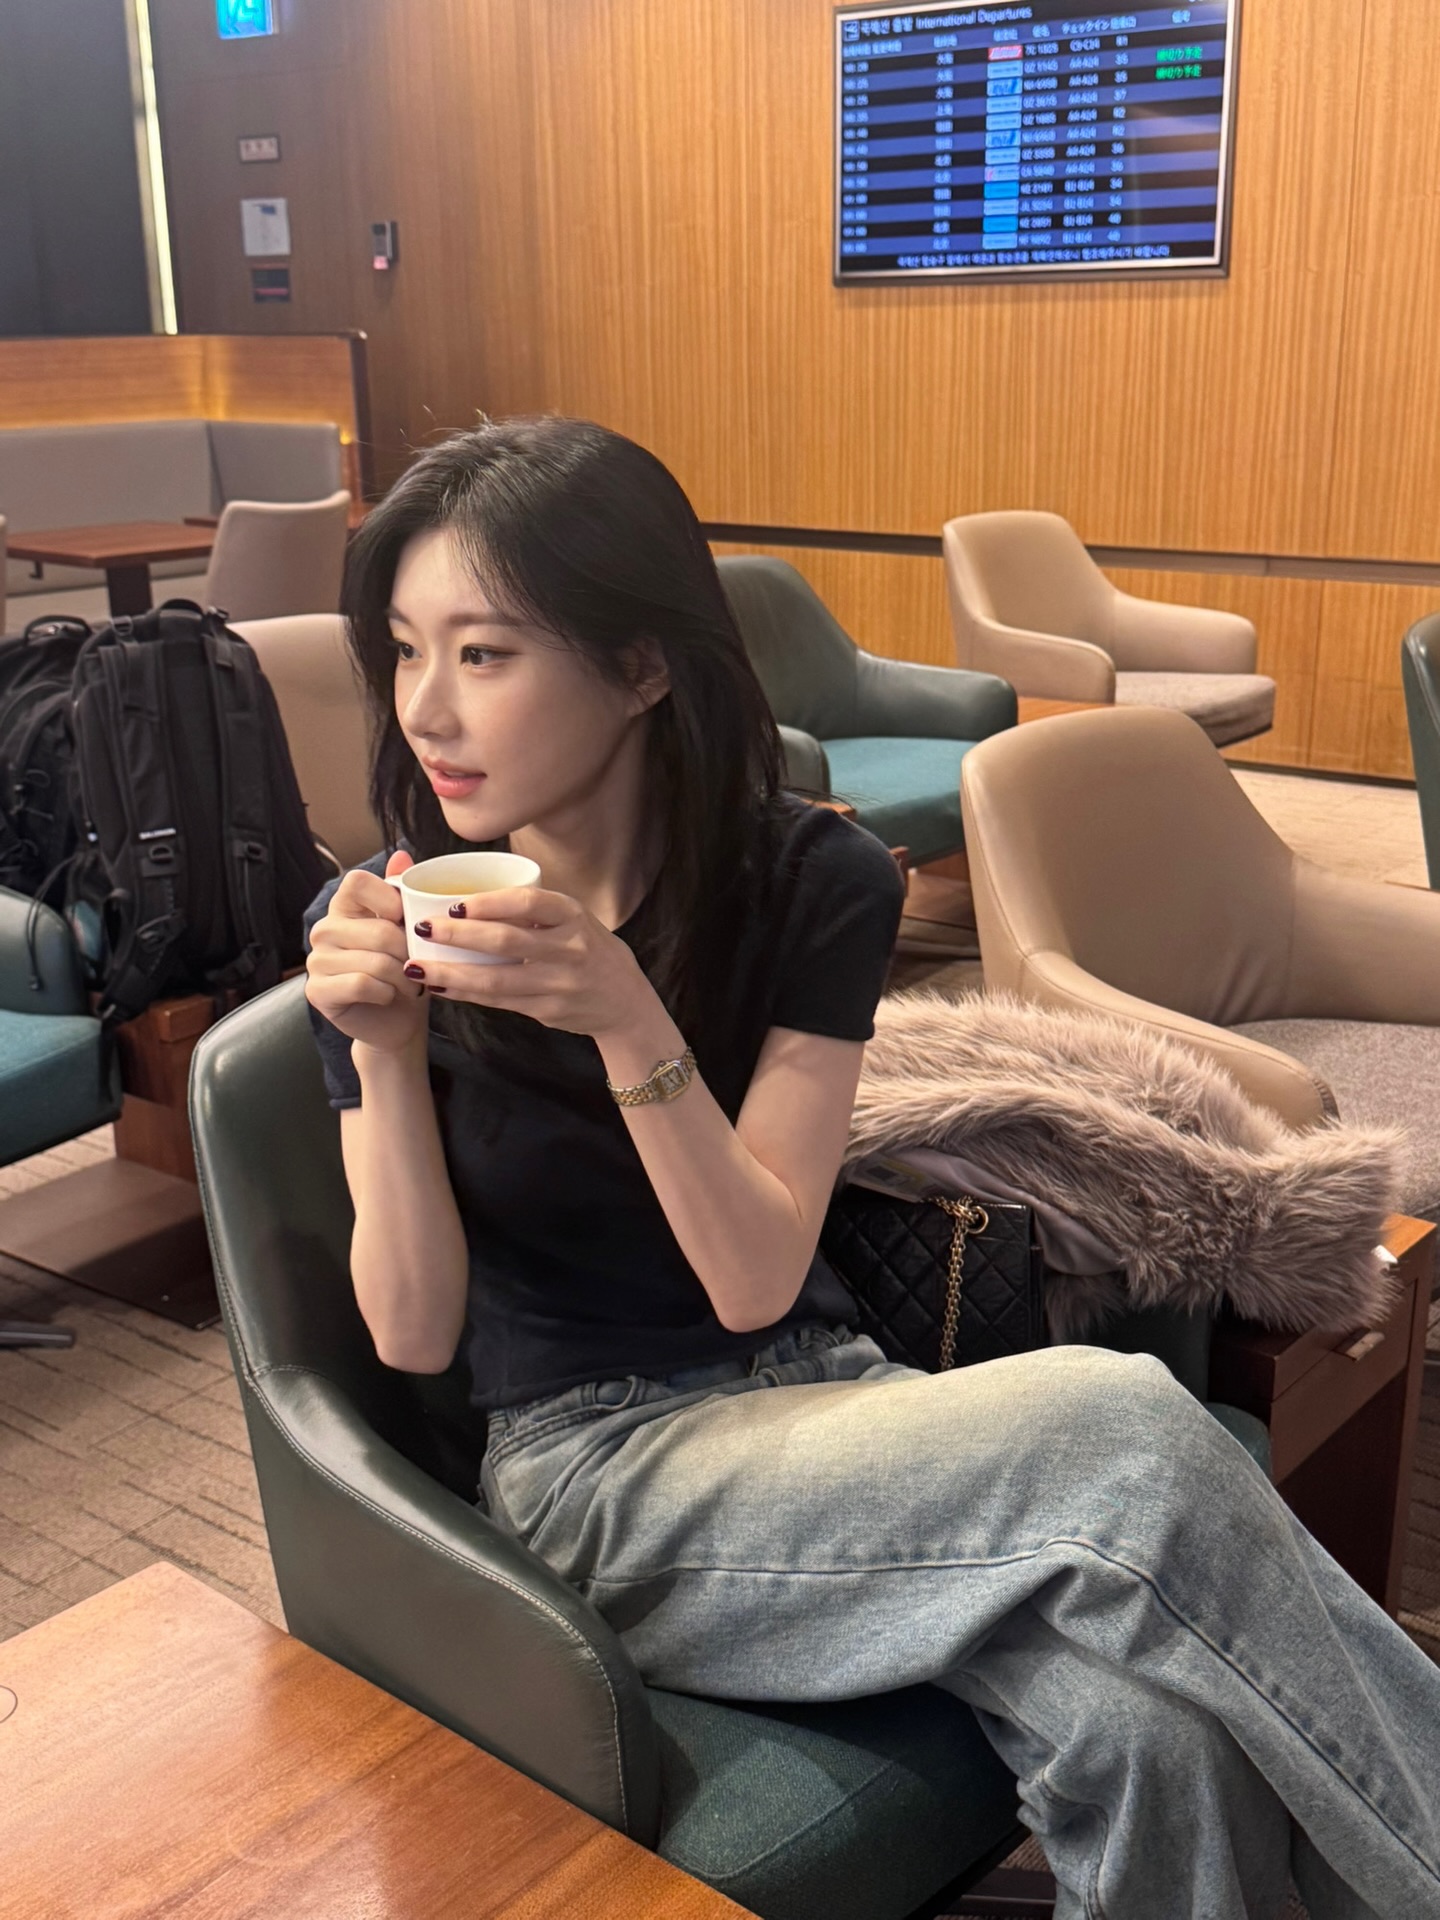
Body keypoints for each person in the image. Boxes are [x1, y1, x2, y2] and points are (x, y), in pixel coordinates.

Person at [303, 417, 1440, 1920]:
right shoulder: (386, 927)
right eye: (402, 652)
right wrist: (383, 1054)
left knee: (1144, 1731)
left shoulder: (808, 879)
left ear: (642, 666)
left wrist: (625, 1016)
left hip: (828, 1390)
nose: (427, 710)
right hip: (598, 1473)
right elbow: (411, 1335)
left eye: (485, 653)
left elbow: (756, 1275)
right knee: (1131, 1431)